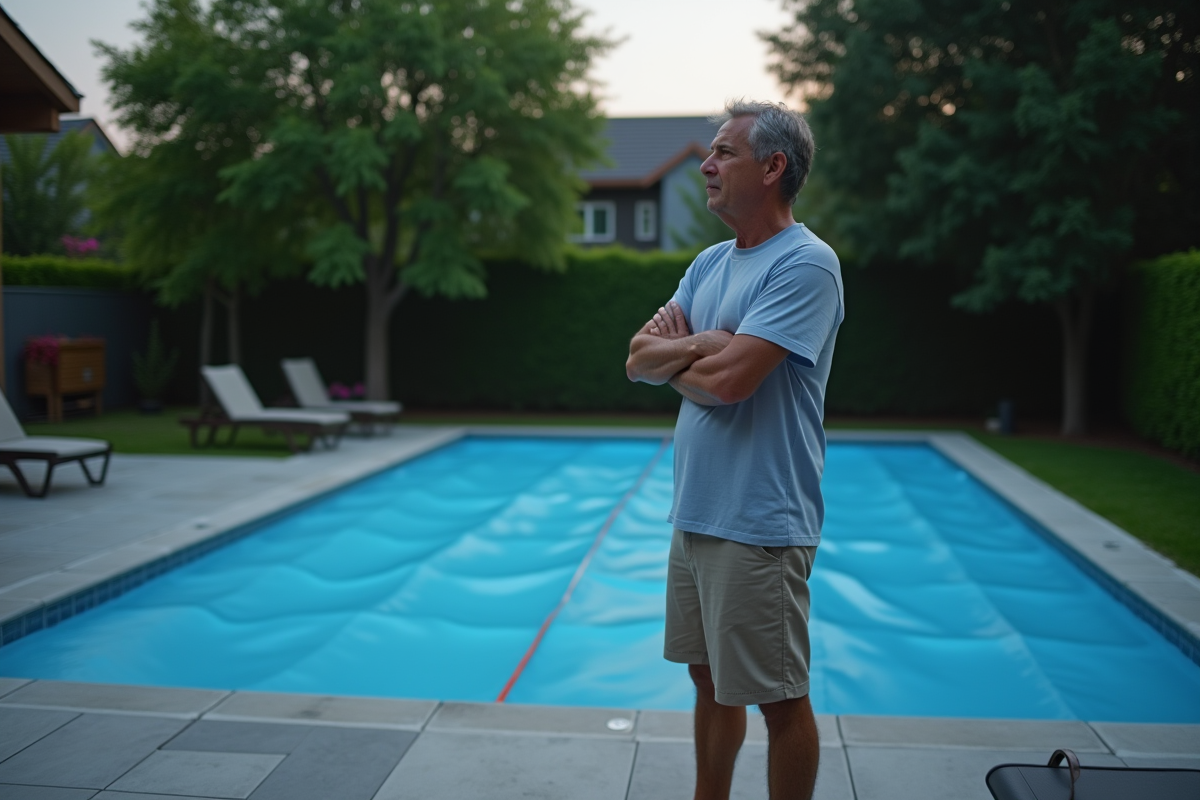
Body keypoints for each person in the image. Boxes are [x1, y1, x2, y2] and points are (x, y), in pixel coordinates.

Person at [625, 100, 844, 800]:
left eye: (724, 153)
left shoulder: (807, 265)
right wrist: (702, 343)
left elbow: (728, 385)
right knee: (709, 680)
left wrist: (683, 358)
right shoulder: (711, 261)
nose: (705, 165)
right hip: (696, 514)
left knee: (779, 698)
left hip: (759, 520)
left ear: (773, 167)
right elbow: (634, 357)